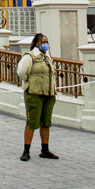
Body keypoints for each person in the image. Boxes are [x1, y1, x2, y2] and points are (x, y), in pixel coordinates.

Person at [16, 32, 59, 161]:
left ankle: (45, 150)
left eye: (47, 42)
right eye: (43, 42)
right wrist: (31, 83)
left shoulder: (47, 57)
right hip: (34, 93)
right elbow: (22, 72)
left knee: (46, 122)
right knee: (32, 122)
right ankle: (26, 151)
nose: (46, 44)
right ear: (37, 43)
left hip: (48, 93)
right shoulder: (30, 56)